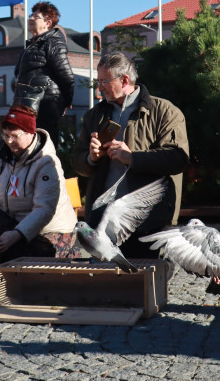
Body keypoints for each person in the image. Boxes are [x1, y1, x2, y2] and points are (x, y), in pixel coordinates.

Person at [70, 52, 189, 258]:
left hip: (148, 221)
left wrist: (132, 158)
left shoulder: (165, 111)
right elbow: (76, 161)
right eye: (99, 81)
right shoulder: (94, 115)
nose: (100, 87)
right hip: (102, 223)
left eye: (104, 81)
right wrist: (91, 158)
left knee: (144, 284)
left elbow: (178, 158)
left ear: (124, 80)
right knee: (104, 285)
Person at [0, 106, 77, 260]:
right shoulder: (2, 159)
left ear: (30, 132)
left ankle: (1, 279)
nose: (9, 141)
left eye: (14, 136)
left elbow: (44, 210)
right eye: (5, 135)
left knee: (8, 252)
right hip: (15, 222)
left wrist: (17, 234)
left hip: (49, 231)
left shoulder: (46, 163)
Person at [13, 1, 74, 147]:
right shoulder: (30, 46)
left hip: (46, 104)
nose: (31, 19)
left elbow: (67, 77)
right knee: (26, 148)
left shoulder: (53, 43)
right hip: (28, 104)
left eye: (36, 17)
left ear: (47, 22)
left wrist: (65, 103)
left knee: (44, 148)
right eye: (30, 15)